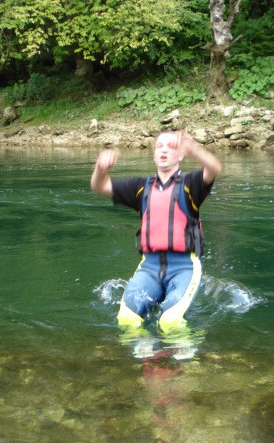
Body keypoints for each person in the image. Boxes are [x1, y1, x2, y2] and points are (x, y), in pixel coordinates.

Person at [91, 131, 222, 332]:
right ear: (153, 155)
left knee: (170, 322)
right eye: (160, 146)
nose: (164, 150)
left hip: (184, 267)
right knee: (126, 319)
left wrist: (194, 149)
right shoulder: (140, 187)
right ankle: (142, 358)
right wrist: (100, 169)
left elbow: (214, 168)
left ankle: (187, 361)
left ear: (180, 155)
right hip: (149, 267)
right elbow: (99, 186)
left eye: (171, 146)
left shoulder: (191, 184)